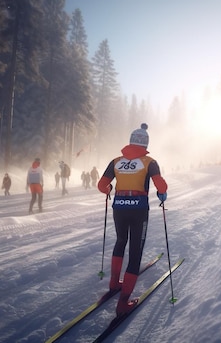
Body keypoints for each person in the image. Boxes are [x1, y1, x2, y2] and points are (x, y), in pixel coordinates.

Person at [97, 123, 168, 316]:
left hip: (119, 207)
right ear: (145, 143)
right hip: (138, 209)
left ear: (130, 141)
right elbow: (160, 185)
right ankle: (123, 304)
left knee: (121, 241)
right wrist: (163, 194)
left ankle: (114, 283)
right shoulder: (149, 162)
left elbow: (102, 185)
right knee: (135, 251)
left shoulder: (116, 161)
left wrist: (109, 190)